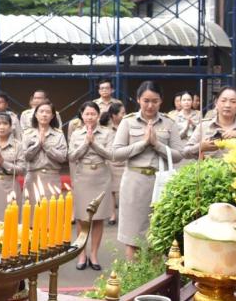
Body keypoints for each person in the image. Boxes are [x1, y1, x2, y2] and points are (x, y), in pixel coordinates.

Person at [113, 82, 180, 259]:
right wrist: (142, 144)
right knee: (133, 238)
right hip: (135, 181)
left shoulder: (169, 123)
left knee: (156, 237)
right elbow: (116, 154)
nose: (150, 105)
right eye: (146, 101)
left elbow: (178, 154)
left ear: (161, 101)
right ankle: (134, 282)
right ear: (138, 100)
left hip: (160, 184)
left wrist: (157, 145)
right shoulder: (128, 122)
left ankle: (154, 282)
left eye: (155, 101)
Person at [68, 103, 114, 269]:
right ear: (81, 115)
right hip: (83, 177)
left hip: (101, 176)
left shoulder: (107, 132)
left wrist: (94, 143)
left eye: (93, 114)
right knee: (81, 218)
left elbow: (111, 154)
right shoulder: (76, 133)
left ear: (98, 114)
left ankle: (94, 255)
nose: (89, 117)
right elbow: (72, 156)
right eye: (86, 114)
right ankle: (82, 254)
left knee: (98, 218)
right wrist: (85, 143)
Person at [19, 101, 67, 207]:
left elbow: (62, 157)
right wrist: (38, 144)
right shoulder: (28, 134)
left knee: (51, 213)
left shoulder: (58, 134)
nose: (44, 114)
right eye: (41, 111)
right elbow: (25, 156)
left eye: (48, 112)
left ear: (53, 116)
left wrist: (46, 146)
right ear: (36, 115)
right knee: (31, 214)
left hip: (52, 177)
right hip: (33, 177)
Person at [184, 88, 236, 160]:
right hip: (209, 170)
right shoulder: (204, 126)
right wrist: (200, 147)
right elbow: (185, 153)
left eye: (233, 102)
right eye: (223, 101)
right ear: (216, 103)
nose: (227, 105)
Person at [102, 101, 125, 225]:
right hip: (110, 161)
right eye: (122, 113)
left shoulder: (127, 126)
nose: (124, 115)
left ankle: (124, 214)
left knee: (125, 189)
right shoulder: (105, 128)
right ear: (114, 115)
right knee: (111, 190)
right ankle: (112, 215)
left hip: (125, 161)